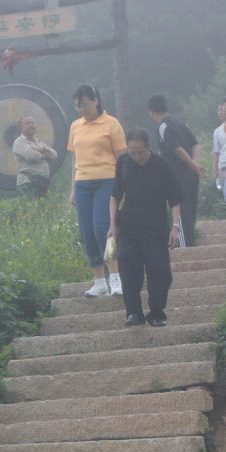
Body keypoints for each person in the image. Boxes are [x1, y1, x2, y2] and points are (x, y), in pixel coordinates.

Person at [108, 128, 182, 328]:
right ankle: (133, 313)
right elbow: (115, 196)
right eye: (132, 151)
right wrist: (112, 224)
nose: (136, 156)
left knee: (159, 273)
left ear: (149, 147)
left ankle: (157, 313)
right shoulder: (123, 163)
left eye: (140, 151)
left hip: (156, 228)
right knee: (128, 271)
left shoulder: (161, 165)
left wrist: (175, 227)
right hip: (129, 227)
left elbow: (174, 200)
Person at [67, 84, 126, 297]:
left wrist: (123, 186)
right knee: (87, 231)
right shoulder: (75, 126)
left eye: (85, 104)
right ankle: (99, 281)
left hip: (106, 180)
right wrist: (73, 187)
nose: (82, 109)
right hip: (82, 183)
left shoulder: (112, 124)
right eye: (77, 106)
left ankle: (116, 277)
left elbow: (122, 157)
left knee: (103, 227)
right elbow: (74, 158)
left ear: (96, 101)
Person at [147, 95, 206, 247]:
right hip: (191, 175)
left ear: (151, 111)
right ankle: (190, 246)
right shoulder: (180, 123)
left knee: (181, 213)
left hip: (177, 175)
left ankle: (186, 251)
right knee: (190, 213)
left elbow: (176, 149)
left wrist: (192, 164)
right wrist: (194, 163)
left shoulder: (163, 127)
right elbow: (196, 145)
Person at [12, 116, 57, 197]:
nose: (31, 125)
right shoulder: (19, 142)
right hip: (27, 184)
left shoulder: (38, 142)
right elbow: (31, 156)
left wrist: (40, 150)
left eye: (33, 123)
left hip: (42, 183)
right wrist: (46, 155)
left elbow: (54, 155)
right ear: (21, 127)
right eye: (27, 124)